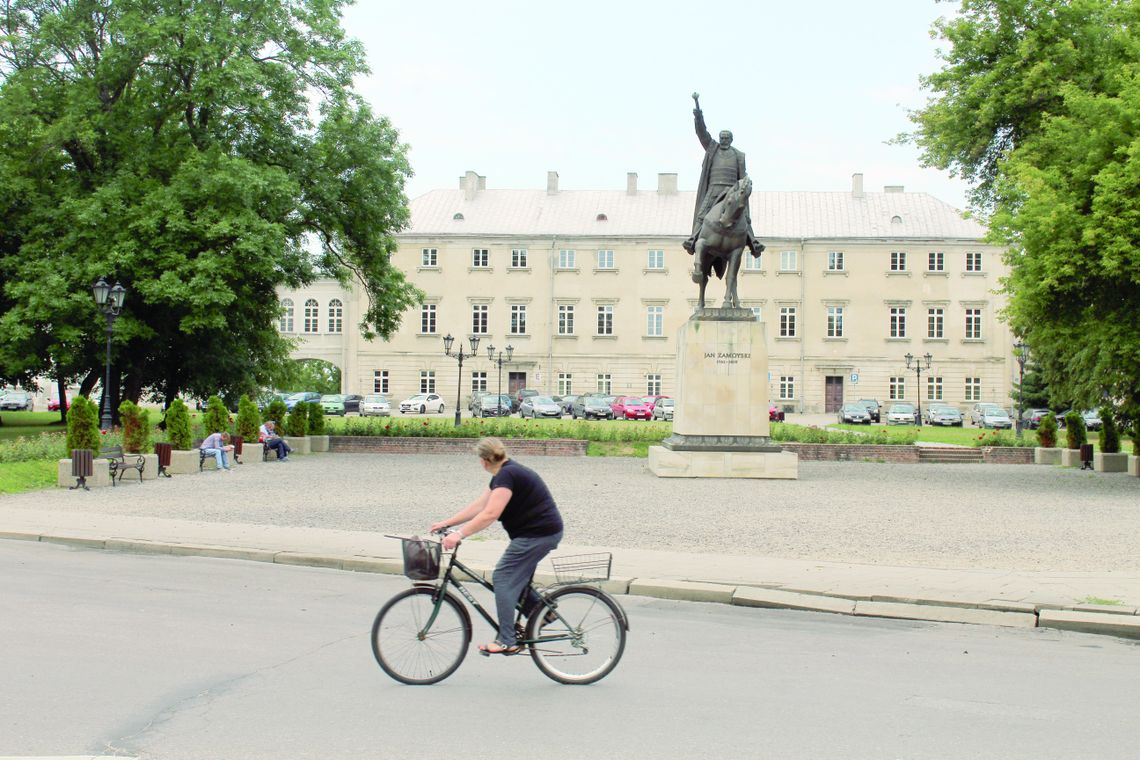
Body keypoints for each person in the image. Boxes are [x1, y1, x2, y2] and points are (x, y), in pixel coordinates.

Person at [431, 437, 564, 655]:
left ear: (483, 461)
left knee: (503, 577)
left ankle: (507, 640)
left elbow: (491, 513)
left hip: (537, 535)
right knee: (516, 579)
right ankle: (543, 613)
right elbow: (480, 505)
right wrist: (448, 523)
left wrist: (460, 534)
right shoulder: (505, 474)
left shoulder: (507, 475)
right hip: (540, 533)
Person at [682, 94, 763, 261]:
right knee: (702, 214)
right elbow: (701, 132)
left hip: (732, 191)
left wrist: (746, 185)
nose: (724, 140)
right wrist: (698, 114)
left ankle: (753, 241)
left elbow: (742, 176)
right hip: (714, 189)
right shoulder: (712, 148)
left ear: (731, 139)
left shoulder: (739, 155)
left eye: (727, 138)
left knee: (744, 216)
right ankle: (693, 239)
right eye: (722, 138)